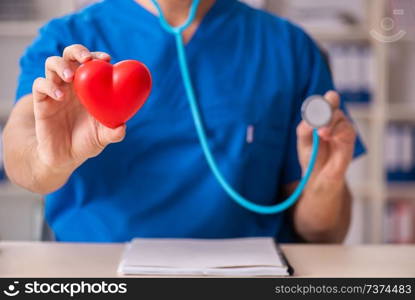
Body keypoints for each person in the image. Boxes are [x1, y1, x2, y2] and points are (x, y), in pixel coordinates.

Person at [3, 0, 365, 243]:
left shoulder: (288, 46)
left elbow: (325, 235)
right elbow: (20, 157)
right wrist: (49, 159)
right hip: (98, 276)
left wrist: (324, 186)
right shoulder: (68, 40)